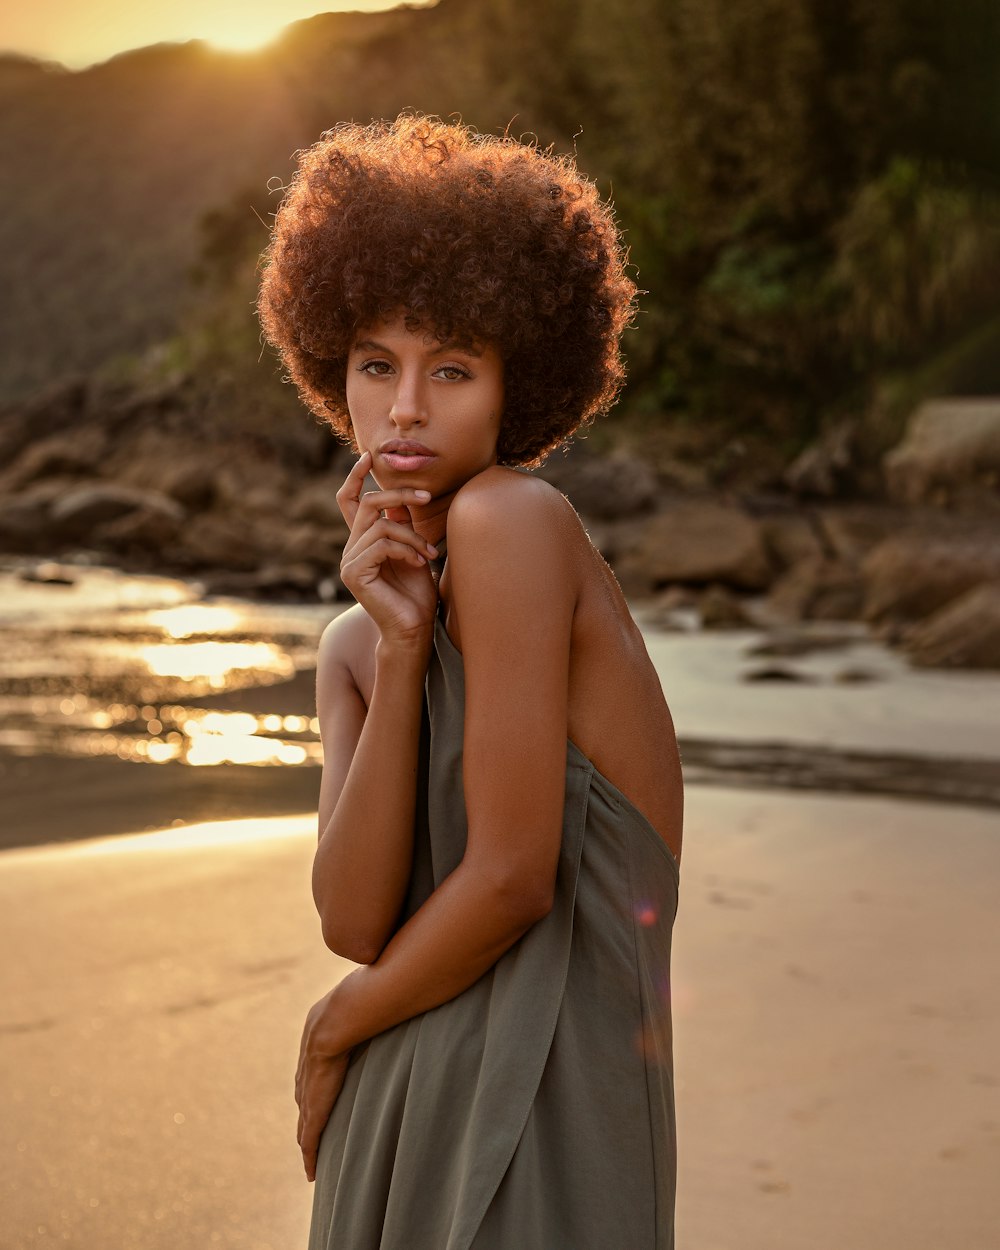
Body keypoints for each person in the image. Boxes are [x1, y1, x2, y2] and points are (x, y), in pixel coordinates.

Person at [257, 113, 684, 1250]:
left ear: (515, 384)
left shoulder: (513, 519)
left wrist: (328, 1029)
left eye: (451, 367)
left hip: (537, 1095)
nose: (404, 406)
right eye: (374, 365)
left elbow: (510, 880)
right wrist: (397, 650)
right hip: (396, 1094)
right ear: (328, 368)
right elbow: (352, 918)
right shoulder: (354, 647)